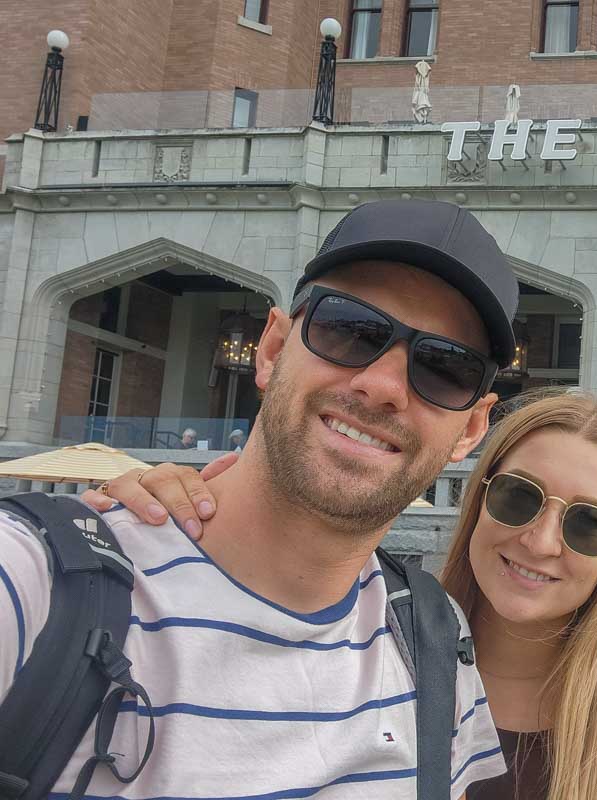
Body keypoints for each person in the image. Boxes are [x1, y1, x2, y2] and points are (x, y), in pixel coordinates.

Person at [1, 198, 519, 797]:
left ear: (473, 429)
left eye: (445, 367)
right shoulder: (37, 587)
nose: (382, 387)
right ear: (272, 350)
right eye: (351, 329)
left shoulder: (433, 642)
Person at [84, 390, 597, 800]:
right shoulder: (355, 657)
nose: (542, 541)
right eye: (518, 496)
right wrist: (164, 520)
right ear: (478, 499)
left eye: (587, 524)